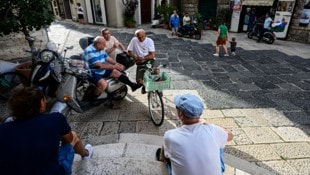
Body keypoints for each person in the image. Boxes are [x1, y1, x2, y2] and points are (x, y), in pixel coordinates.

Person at [0, 87, 93, 175]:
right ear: (41, 103)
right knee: (73, 136)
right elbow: (69, 140)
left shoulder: (2, 129)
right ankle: (85, 154)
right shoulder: (55, 119)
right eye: (44, 99)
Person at [157, 94, 233, 175]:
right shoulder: (212, 130)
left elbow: (164, 155)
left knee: (168, 155)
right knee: (219, 145)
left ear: (181, 114)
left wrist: (162, 157)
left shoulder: (170, 135)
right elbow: (230, 136)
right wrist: (209, 124)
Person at [127, 29, 157, 94]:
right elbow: (129, 51)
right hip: (140, 62)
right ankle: (144, 85)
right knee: (139, 81)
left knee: (156, 73)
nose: (141, 39)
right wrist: (135, 57)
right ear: (136, 36)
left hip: (150, 60)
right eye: (139, 37)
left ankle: (158, 91)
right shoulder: (134, 40)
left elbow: (152, 55)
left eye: (142, 36)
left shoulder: (149, 41)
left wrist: (142, 58)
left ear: (145, 35)